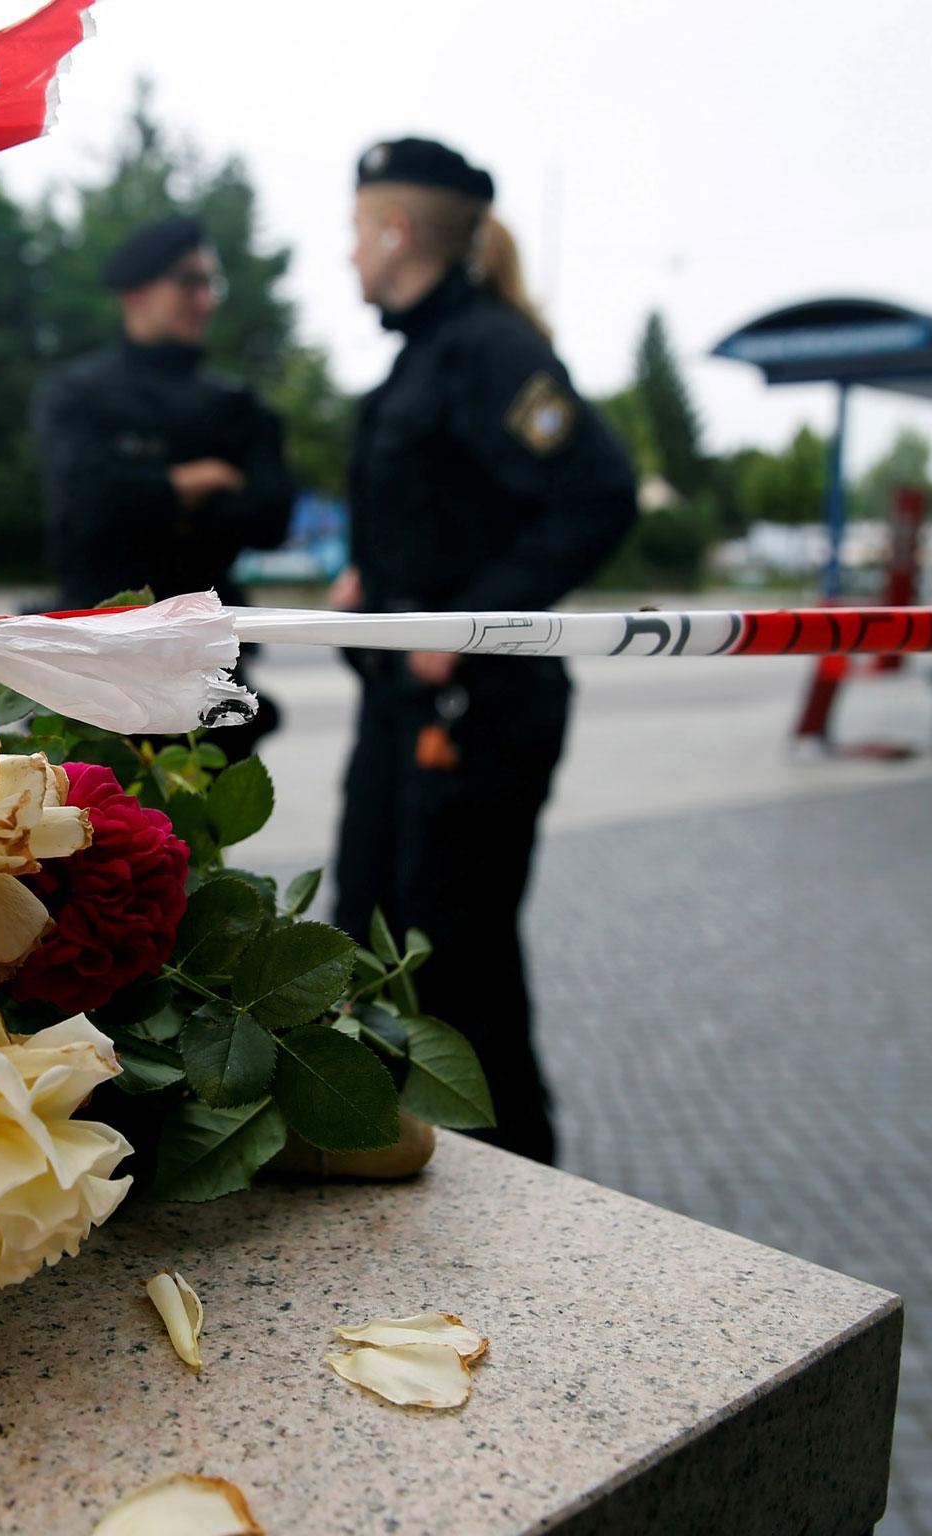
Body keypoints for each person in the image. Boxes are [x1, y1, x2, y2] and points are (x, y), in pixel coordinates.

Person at [330, 138, 637, 1164]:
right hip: (406, 709)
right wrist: (372, 588)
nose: (347, 256)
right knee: (368, 935)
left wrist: (467, 626)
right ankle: (384, 1157)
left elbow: (595, 491)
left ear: (393, 230)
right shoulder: (424, 355)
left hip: (476, 715)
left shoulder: (490, 349)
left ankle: (521, 1199)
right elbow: (445, 514)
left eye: (354, 229)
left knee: (454, 969)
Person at [33, 214, 295, 756]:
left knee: (198, 835)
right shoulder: (79, 394)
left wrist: (144, 497)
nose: (206, 299)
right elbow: (84, 509)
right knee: (92, 832)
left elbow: (271, 518)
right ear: (135, 292)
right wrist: (192, 484)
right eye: (188, 281)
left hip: (206, 669)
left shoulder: (236, 406)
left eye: (210, 283)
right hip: (97, 674)